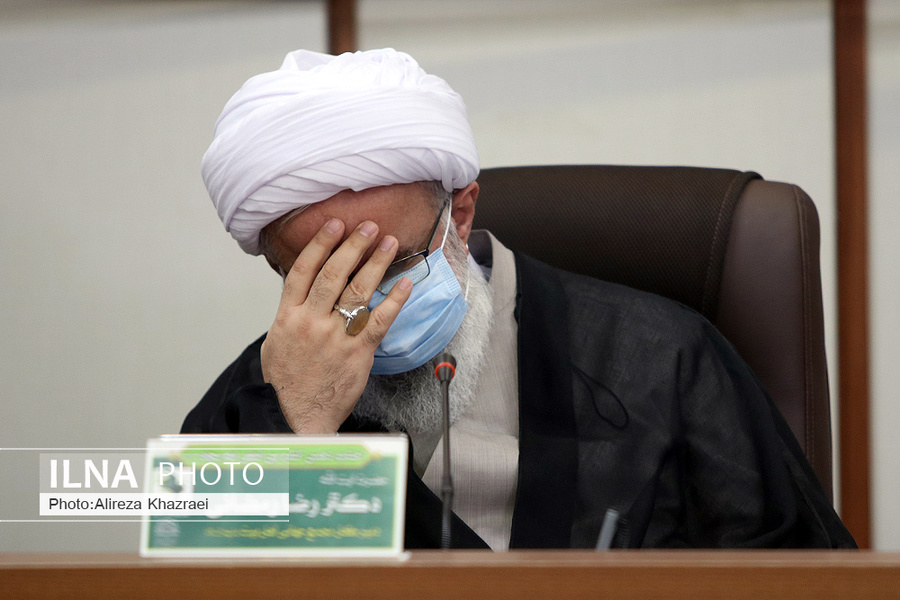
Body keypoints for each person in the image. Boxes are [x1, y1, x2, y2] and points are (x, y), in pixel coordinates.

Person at [183, 48, 855, 550]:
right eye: (322, 279)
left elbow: (805, 577)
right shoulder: (251, 400)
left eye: (394, 264)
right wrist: (298, 431)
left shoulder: (661, 359)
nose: (366, 308)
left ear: (461, 214)